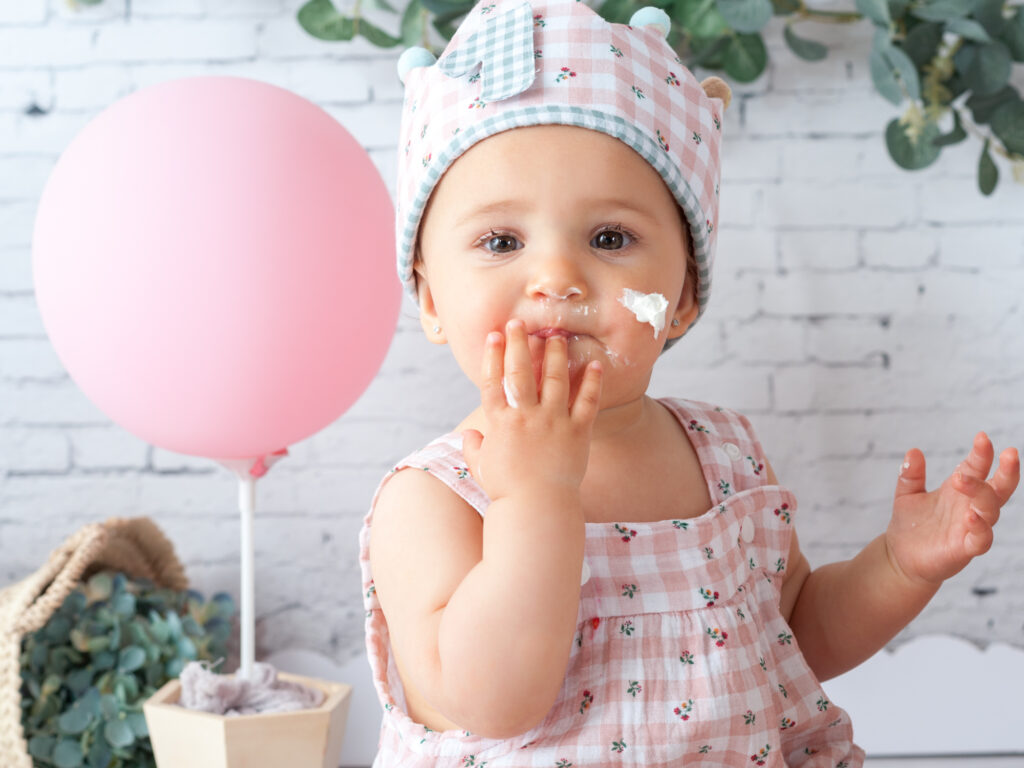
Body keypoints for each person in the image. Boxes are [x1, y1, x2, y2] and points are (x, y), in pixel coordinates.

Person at [358, 0, 1020, 764]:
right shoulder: (435, 497)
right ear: (432, 299)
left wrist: (899, 566)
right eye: (501, 240)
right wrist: (533, 495)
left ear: (683, 298)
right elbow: (496, 704)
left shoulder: (725, 455)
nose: (556, 277)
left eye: (610, 237)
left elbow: (791, 638)